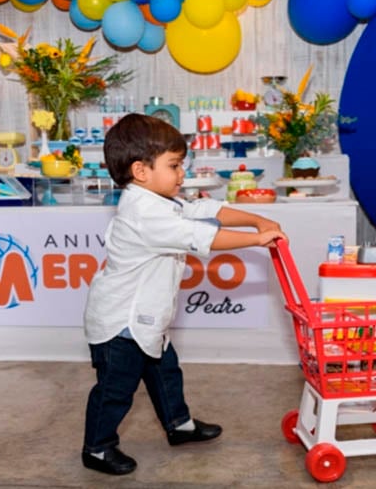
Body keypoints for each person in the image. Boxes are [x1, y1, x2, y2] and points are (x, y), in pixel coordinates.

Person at [81, 113, 288, 476]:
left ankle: (178, 425)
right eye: (174, 165)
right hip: (120, 323)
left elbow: (201, 210)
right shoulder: (143, 211)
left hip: (148, 318)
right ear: (141, 171)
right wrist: (255, 239)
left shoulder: (160, 200)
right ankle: (97, 448)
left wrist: (254, 218)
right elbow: (200, 236)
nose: (181, 174)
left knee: (165, 373)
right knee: (115, 390)